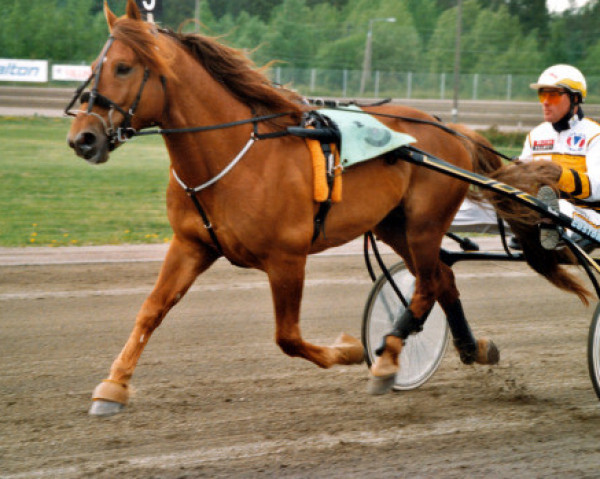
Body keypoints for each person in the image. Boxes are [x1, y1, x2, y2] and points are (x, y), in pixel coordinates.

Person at [518, 64, 600, 250]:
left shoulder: (595, 135)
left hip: (592, 217)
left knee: (559, 208)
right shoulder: (536, 135)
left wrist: (558, 175)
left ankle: (547, 226)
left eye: (553, 95)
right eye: (542, 95)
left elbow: (598, 188)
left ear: (575, 98)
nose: (545, 102)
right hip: (544, 210)